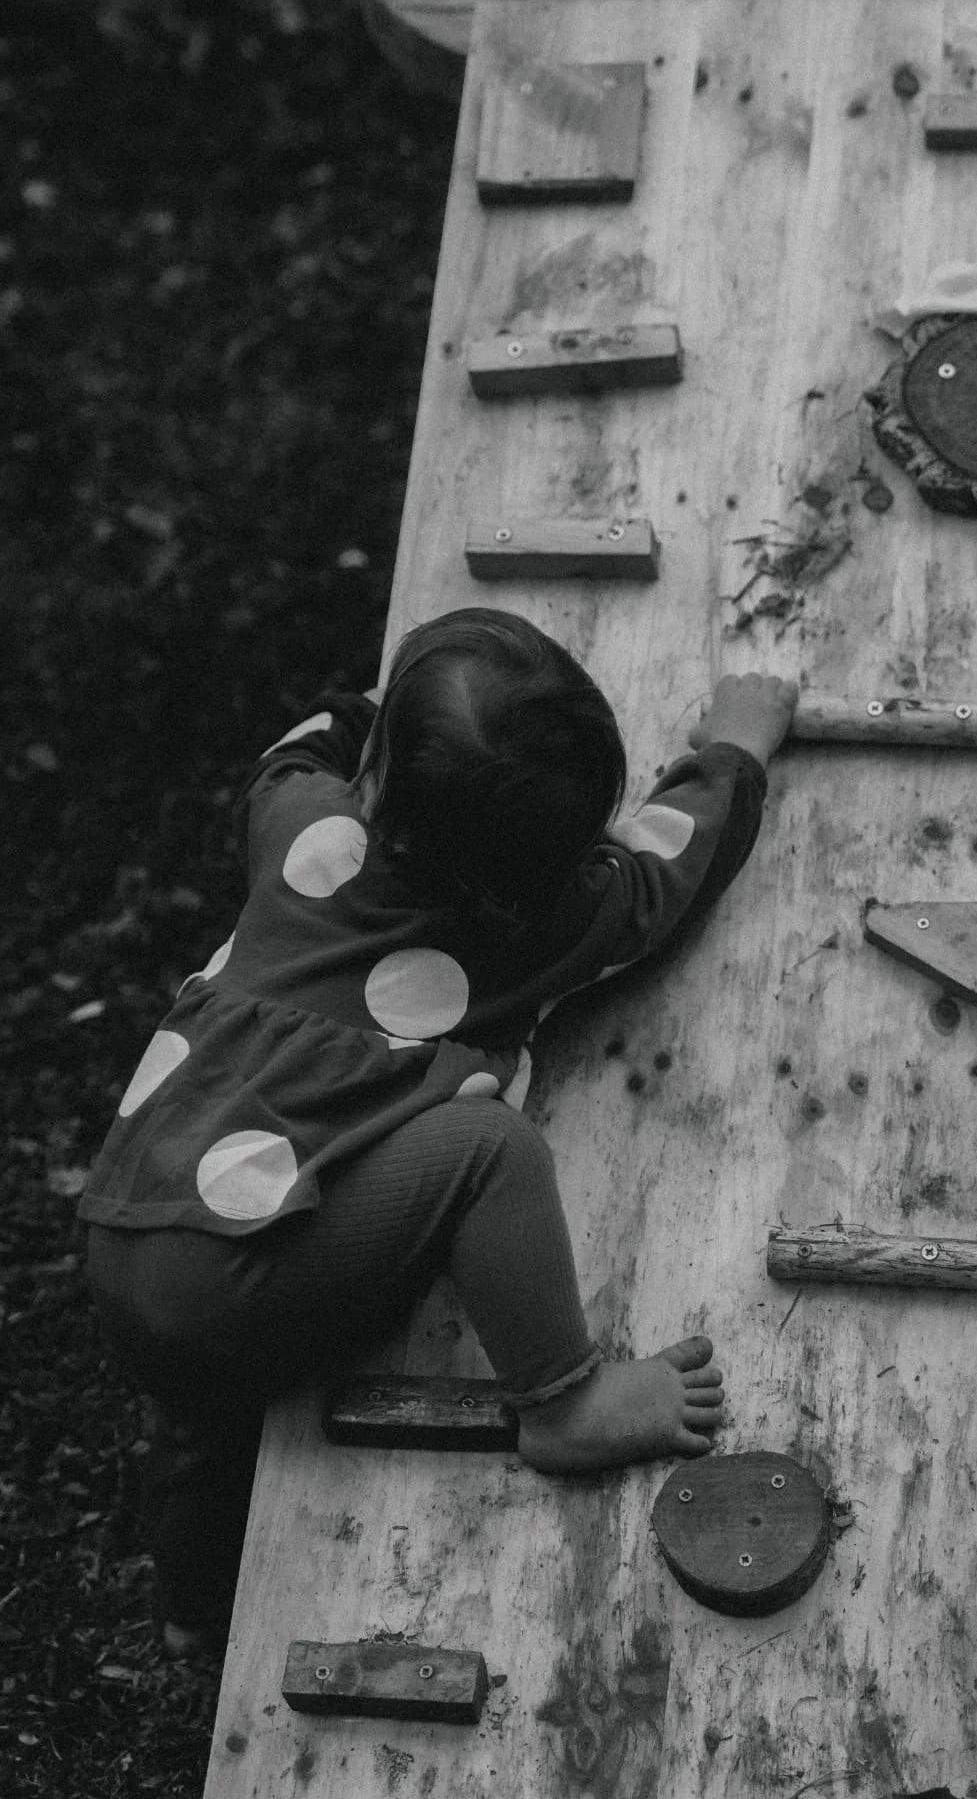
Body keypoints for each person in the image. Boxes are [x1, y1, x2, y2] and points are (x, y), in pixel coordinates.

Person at [80, 607, 797, 1650]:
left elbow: (292, 751)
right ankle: (567, 1402)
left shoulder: (305, 833)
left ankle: (193, 1607)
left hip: (126, 1229)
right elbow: (669, 868)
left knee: (201, 1400)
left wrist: (387, 718)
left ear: (373, 786)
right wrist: (735, 744)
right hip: (242, 1272)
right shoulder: (550, 914)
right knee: (486, 1150)